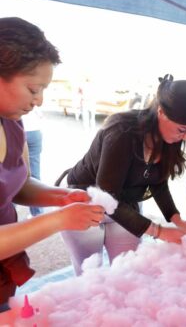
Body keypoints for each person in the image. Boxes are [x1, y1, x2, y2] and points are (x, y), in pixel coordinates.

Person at [0, 17, 105, 310]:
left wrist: (59, 197)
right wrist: (58, 220)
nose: (40, 101)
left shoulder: (13, 122)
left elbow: (17, 184)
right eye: (33, 89)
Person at [60, 74, 186, 275]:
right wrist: (159, 232)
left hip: (125, 205)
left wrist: (177, 220)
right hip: (85, 201)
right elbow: (107, 197)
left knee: (127, 272)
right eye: (182, 130)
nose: (184, 137)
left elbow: (158, 182)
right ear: (161, 112)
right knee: (89, 273)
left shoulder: (170, 137)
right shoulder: (122, 131)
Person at [22, 107, 44, 216]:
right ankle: (37, 214)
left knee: (12, 173)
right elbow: (40, 114)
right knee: (34, 175)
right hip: (35, 131)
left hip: (22, 129)